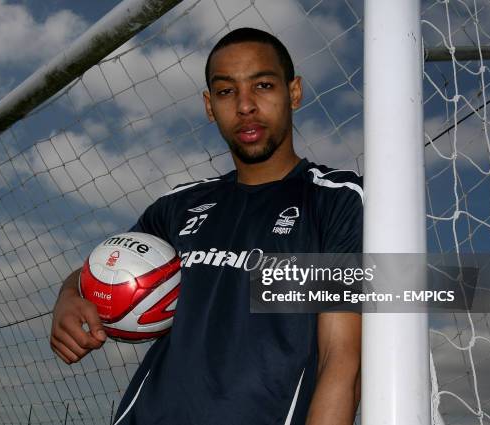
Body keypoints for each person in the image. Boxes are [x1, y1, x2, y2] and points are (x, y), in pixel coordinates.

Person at [51, 27, 362, 425]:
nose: (246, 106)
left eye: (263, 85)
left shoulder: (335, 200)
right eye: (226, 91)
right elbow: (101, 269)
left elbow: (342, 361)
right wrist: (68, 296)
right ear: (209, 106)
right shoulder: (180, 206)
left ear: (294, 92)